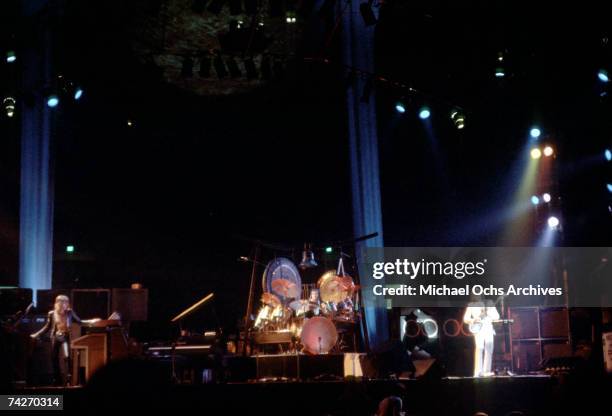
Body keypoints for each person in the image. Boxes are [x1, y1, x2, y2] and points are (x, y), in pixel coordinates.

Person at [30, 295, 99, 385]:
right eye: (62, 302)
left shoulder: (69, 312)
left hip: (65, 336)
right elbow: (47, 327)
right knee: (54, 358)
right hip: (55, 336)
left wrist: (92, 321)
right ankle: (57, 379)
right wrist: (37, 334)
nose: (64, 304)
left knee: (67, 357)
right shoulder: (52, 313)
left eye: (66, 302)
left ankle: (69, 377)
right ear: (57, 303)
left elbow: (80, 322)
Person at [463, 297, 499, 377]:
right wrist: (474, 320)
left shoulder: (489, 303)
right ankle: (478, 372)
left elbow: (497, 317)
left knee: (489, 349)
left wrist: (488, 312)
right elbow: (465, 319)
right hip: (478, 329)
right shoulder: (471, 305)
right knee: (479, 348)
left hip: (488, 328)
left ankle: (486, 371)